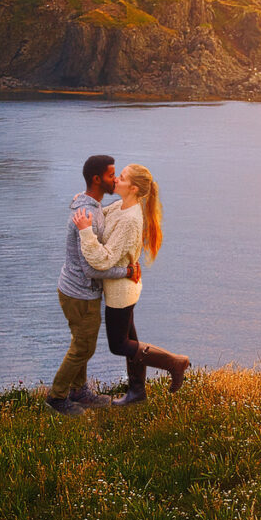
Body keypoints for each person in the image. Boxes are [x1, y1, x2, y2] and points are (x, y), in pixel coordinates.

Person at [70, 161, 189, 401]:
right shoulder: (120, 207)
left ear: (133, 188)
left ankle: (175, 362)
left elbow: (103, 260)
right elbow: (100, 218)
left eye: (121, 178)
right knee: (130, 340)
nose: (116, 180)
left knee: (119, 345)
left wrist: (84, 232)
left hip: (121, 292)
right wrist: (84, 202)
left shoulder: (130, 219)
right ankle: (137, 391)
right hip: (123, 287)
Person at [47, 152, 120, 412]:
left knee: (82, 342)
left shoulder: (90, 204)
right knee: (83, 347)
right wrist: (125, 272)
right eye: (112, 175)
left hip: (76, 290)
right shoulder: (86, 213)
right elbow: (90, 269)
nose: (116, 179)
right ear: (97, 179)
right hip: (80, 293)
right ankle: (57, 398)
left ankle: (79, 391)